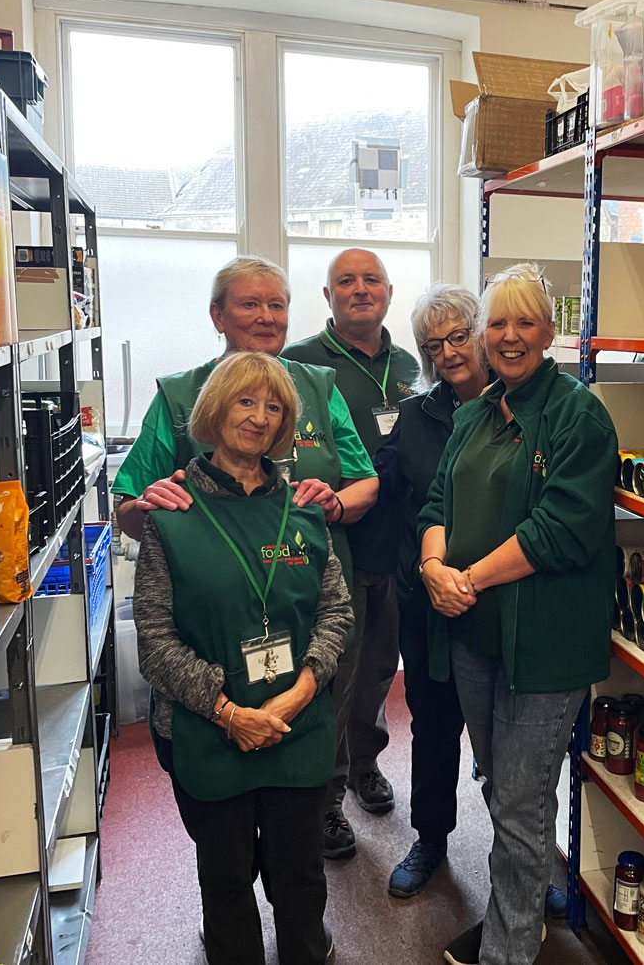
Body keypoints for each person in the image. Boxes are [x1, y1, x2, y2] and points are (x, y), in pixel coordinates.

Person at [417, 264, 618, 965]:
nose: (508, 337)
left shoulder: (578, 414)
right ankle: (516, 922)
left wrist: (463, 577)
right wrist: (431, 568)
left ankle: (507, 952)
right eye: (496, 323)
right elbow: (437, 500)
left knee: (521, 806)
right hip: (474, 634)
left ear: (550, 331)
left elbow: (559, 529)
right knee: (500, 786)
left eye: (523, 322)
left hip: (544, 644)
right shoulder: (474, 412)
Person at [134, 352, 352, 965]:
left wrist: (299, 692)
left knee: (300, 877)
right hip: (208, 731)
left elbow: (335, 613)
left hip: (297, 723)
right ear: (215, 410)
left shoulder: (306, 507)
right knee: (226, 879)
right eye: (244, 402)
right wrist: (230, 711)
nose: (259, 418)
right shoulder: (171, 514)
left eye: (274, 407)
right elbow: (154, 640)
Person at [113, 256, 378, 598]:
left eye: (276, 306)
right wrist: (148, 505)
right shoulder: (178, 395)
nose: (266, 317)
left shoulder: (318, 386)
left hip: (312, 591)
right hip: (213, 595)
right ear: (218, 316)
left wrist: (335, 504)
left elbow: (365, 482)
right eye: (250, 304)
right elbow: (129, 512)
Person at [284, 248, 419, 858]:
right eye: (346, 282)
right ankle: (328, 796)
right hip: (332, 550)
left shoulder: (410, 364)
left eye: (371, 281)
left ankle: (364, 765)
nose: (360, 290)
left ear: (388, 293)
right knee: (333, 676)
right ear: (328, 295)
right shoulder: (300, 364)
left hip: (400, 548)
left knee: (377, 672)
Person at [371, 284, 487, 898]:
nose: (446, 352)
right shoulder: (414, 418)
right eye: (431, 344)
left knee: (508, 741)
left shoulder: (523, 408)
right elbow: (385, 488)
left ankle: (527, 856)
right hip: (428, 605)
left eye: (458, 336)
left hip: (503, 603)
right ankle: (432, 839)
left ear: (484, 331)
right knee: (434, 726)